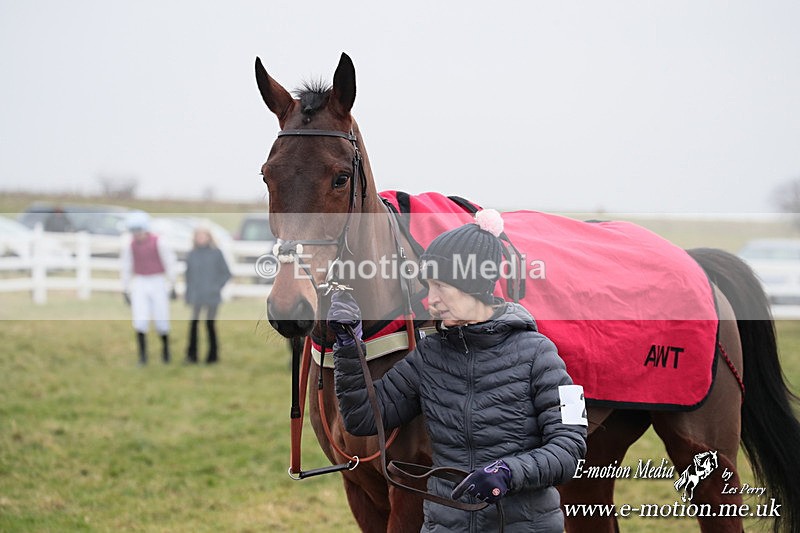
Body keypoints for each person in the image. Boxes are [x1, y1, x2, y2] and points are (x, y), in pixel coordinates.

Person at [328, 209, 587, 532]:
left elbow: (569, 449)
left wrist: (508, 472)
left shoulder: (540, 354)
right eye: (427, 287)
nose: (430, 300)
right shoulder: (428, 356)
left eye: (439, 287)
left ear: (473, 284)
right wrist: (349, 347)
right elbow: (364, 418)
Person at [120, 212, 177, 365]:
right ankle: (142, 356)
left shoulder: (159, 242)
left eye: (139, 231)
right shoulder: (130, 245)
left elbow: (169, 262)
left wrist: (172, 284)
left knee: (161, 316)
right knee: (140, 318)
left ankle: (166, 352)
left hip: (157, 280)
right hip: (140, 281)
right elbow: (126, 266)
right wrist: (125, 288)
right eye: (134, 232)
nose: (137, 235)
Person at [184, 227, 231, 364]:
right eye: (198, 236)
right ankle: (191, 356)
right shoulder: (192, 254)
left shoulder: (216, 253)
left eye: (203, 236)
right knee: (193, 324)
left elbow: (226, 273)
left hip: (212, 297)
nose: (200, 238)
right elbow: (188, 276)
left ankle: (212, 356)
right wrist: (189, 295)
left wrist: (215, 287)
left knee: (210, 324)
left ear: (209, 237)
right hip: (197, 296)